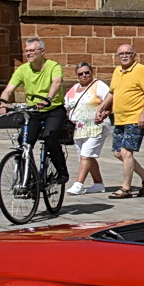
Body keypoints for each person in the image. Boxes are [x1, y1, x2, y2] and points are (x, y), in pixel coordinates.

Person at [0, 37, 69, 190]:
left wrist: (48, 99)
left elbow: (56, 82)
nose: (28, 53)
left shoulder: (53, 66)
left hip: (52, 109)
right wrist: (3, 103)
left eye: (32, 50)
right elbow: (8, 90)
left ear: (42, 52)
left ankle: (62, 171)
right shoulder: (23, 69)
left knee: (50, 137)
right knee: (25, 142)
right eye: (26, 51)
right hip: (33, 111)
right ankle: (28, 178)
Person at [97, 42, 144, 198]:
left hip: (135, 118)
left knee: (126, 152)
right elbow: (112, 93)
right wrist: (101, 108)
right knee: (118, 153)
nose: (124, 56)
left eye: (127, 53)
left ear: (134, 55)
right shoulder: (117, 71)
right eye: (120, 54)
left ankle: (126, 188)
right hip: (120, 118)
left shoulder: (141, 70)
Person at [62, 61, 108, 195]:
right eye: (81, 74)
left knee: (86, 155)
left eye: (87, 72)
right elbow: (66, 105)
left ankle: (78, 184)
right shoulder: (73, 89)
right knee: (87, 156)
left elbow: (110, 99)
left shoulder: (98, 85)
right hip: (78, 129)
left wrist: (104, 113)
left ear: (92, 72)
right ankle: (98, 183)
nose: (84, 75)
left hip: (96, 126)